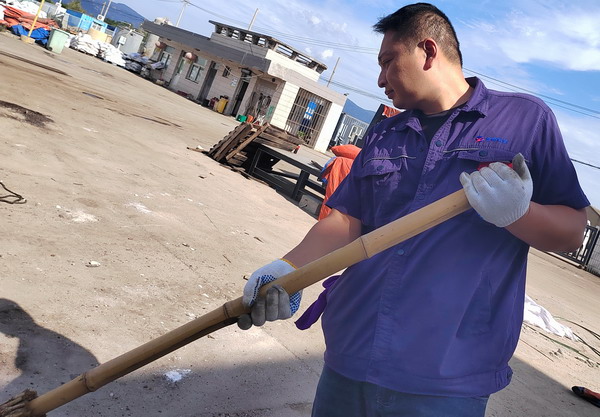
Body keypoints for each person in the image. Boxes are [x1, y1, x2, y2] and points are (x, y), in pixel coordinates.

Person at [237, 3, 590, 416]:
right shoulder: (388, 132)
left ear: (427, 51)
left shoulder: (525, 121)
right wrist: (289, 269)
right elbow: (347, 220)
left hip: (446, 376)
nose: (380, 78)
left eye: (388, 61)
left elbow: (573, 231)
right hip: (352, 351)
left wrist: (519, 214)